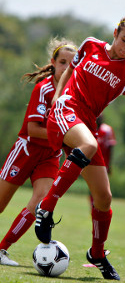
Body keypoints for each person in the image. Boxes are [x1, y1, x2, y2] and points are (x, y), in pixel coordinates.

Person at [34, 15, 125, 281]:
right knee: (88, 145)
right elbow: (68, 71)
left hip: (86, 125)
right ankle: (47, 206)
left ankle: (97, 253)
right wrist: (57, 95)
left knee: (104, 197)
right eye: (124, 40)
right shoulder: (90, 45)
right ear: (115, 33)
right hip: (66, 109)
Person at [0, 38, 77, 266]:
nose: (65, 67)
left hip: (50, 156)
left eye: (70, 64)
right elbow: (33, 130)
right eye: (62, 62)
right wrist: (65, 134)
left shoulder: (74, 96)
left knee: (41, 202)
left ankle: (2, 248)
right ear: (52, 63)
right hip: (26, 150)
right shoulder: (43, 89)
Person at [88, 114, 116, 207]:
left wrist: (109, 165)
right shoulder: (89, 129)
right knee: (92, 188)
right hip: (91, 164)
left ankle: (100, 207)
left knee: (102, 189)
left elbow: (111, 147)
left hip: (104, 164)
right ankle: (94, 207)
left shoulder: (107, 130)